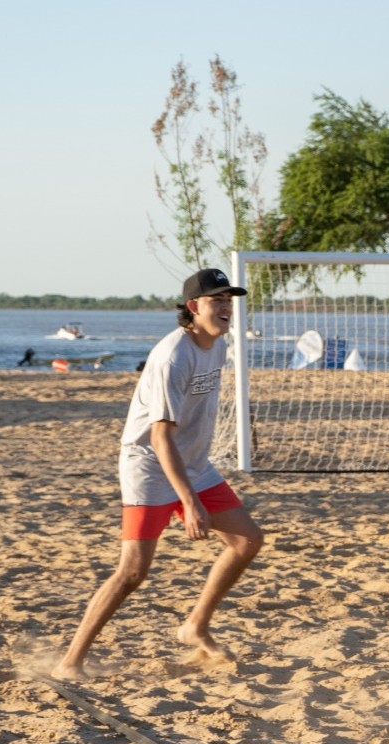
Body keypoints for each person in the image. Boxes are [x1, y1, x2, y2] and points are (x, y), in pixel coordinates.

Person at [52, 268, 265, 680]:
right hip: (149, 466)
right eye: (216, 300)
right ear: (193, 307)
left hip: (195, 465)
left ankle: (195, 626)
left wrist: (193, 487)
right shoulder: (173, 356)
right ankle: (69, 662)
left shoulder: (218, 346)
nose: (225, 307)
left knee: (247, 540)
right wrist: (189, 501)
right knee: (133, 571)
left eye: (228, 300)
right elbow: (160, 436)